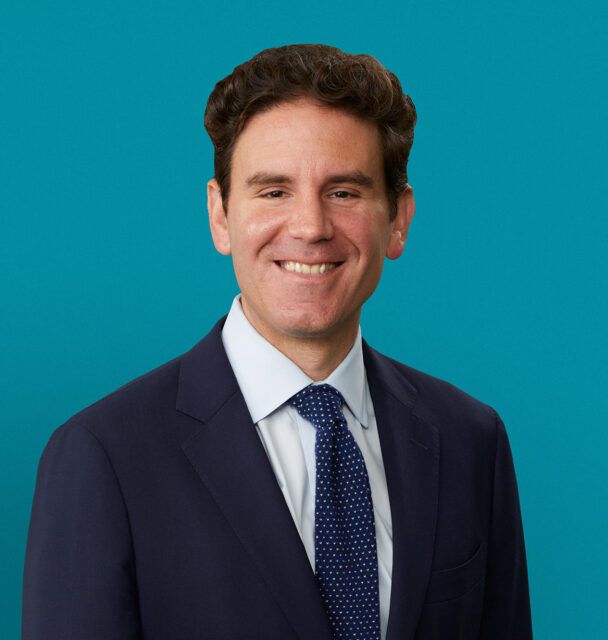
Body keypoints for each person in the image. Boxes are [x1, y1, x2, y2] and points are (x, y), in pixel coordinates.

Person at [22, 44, 532, 640]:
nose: (311, 227)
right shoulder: (102, 456)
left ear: (398, 219)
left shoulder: (470, 440)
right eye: (273, 191)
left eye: (344, 192)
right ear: (220, 215)